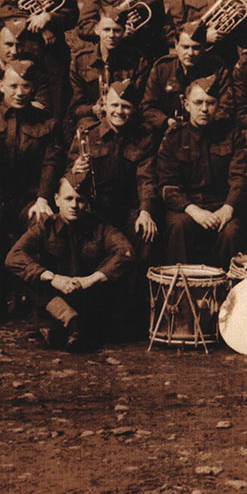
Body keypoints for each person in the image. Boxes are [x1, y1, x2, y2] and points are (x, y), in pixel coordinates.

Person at [0, 59, 64, 322]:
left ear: (33, 89)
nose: (19, 92)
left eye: (26, 86)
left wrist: (42, 198)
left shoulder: (48, 122)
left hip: (30, 198)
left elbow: (51, 164)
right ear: (1, 86)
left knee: (41, 221)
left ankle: (33, 294)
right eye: (13, 85)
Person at [68, 78, 160, 340]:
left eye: (126, 106)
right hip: (95, 211)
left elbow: (146, 177)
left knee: (145, 236)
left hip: (128, 209)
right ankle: (86, 317)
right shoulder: (87, 133)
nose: (120, 111)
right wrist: (76, 174)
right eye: (115, 105)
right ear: (104, 106)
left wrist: (145, 211)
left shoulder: (143, 137)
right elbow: (69, 178)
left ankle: (130, 317)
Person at [6, 171, 134, 352]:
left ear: (87, 203)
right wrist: (52, 278)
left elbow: (125, 252)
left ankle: (70, 328)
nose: (74, 205)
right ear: (57, 200)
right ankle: (71, 322)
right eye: (68, 199)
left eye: (80, 199)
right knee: (30, 272)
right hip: (53, 298)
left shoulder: (100, 227)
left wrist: (89, 280)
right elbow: (14, 256)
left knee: (115, 271)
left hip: (87, 295)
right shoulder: (45, 227)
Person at [156, 75, 247, 268]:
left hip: (222, 205)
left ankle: (230, 290)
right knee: (178, 226)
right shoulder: (174, 138)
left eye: (210, 103)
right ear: (186, 104)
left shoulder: (232, 135)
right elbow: (167, 185)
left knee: (233, 231)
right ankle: (181, 290)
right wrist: (194, 210)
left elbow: (240, 178)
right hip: (187, 208)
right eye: (198, 103)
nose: (204, 109)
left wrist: (228, 208)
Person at [67, 8, 146, 136]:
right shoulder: (81, 61)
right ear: (97, 30)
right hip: (93, 119)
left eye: (117, 30)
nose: (111, 35)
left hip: (123, 117)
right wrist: (93, 109)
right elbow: (74, 109)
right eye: (106, 30)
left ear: (124, 32)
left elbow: (141, 103)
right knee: (85, 129)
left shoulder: (137, 61)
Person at [141, 21, 231, 132]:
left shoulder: (217, 68)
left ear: (204, 47)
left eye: (196, 48)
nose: (190, 53)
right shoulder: (162, 68)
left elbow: (226, 107)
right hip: (169, 132)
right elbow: (148, 107)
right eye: (185, 47)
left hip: (206, 131)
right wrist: (166, 121)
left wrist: (201, 124)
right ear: (176, 45)